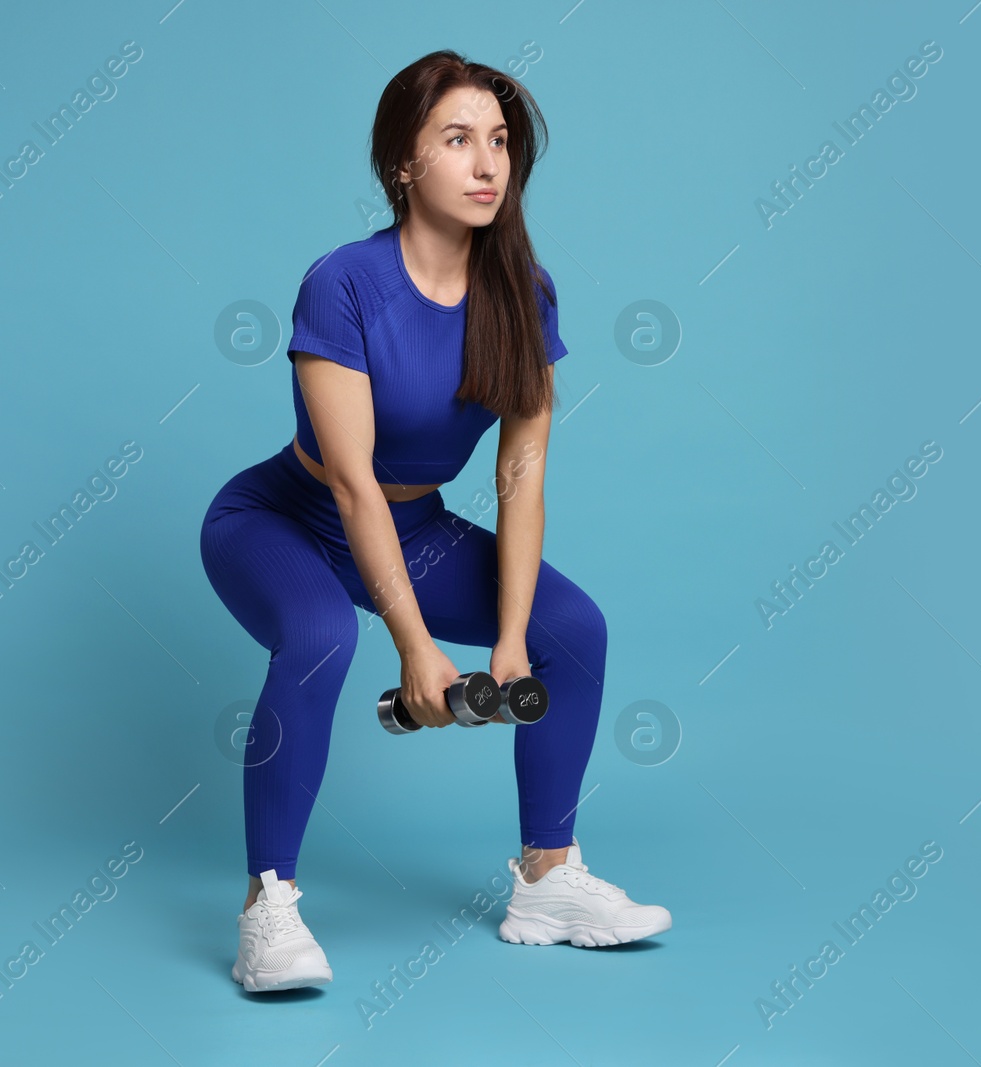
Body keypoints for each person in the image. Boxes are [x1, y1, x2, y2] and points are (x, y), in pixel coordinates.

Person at [199, 50, 670, 994]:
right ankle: (269, 908)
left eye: (498, 141)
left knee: (569, 629)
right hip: (284, 519)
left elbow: (521, 478)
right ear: (402, 165)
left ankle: (547, 878)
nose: (487, 162)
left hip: (420, 531)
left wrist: (508, 644)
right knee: (324, 633)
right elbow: (353, 486)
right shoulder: (343, 283)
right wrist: (416, 649)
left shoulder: (524, 296)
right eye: (458, 139)